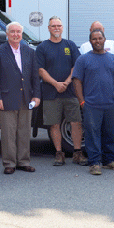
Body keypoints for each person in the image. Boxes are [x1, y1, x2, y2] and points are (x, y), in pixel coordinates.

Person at [0, 22, 41, 174]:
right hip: (6, 98)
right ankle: (9, 163)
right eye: (12, 32)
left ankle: (23, 161)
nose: (16, 34)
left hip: (26, 98)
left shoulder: (29, 52)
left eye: (18, 32)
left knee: (24, 132)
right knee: (8, 133)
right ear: (7, 34)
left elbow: (34, 76)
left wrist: (36, 96)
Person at [73, 29, 114, 175]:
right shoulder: (83, 59)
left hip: (111, 104)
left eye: (100, 38)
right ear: (90, 42)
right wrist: (82, 102)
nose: (97, 41)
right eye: (94, 39)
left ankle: (109, 160)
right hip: (91, 104)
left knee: (111, 134)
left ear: (104, 39)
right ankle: (95, 163)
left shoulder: (113, 59)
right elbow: (77, 81)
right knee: (92, 134)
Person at [35, 16, 85, 166]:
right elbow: (40, 70)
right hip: (51, 92)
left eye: (59, 25)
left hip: (70, 92)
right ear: (49, 28)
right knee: (54, 124)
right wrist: (56, 84)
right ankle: (58, 153)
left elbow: (76, 66)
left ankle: (77, 152)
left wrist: (67, 82)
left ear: (62, 28)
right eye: (53, 26)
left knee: (76, 122)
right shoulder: (42, 47)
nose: (56, 28)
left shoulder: (70, 45)